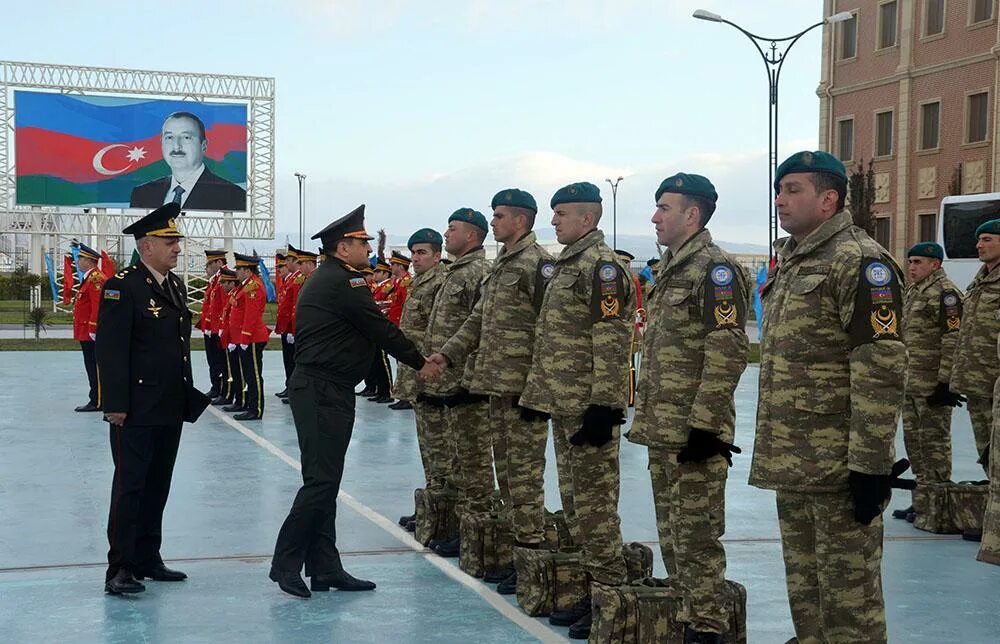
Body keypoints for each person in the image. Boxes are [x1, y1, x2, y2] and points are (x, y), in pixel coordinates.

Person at [749, 151, 908, 643]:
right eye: (779, 190)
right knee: (807, 593)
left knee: (848, 602)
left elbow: (880, 366)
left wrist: (870, 466)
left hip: (839, 465)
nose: (780, 200)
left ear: (829, 199)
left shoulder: (859, 261)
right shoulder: (795, 260)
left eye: (793, 189)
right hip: (794, 459)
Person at [269, 204, 441, 598]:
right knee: (320, 482)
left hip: (326, 388)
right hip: (322, 390)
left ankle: (325, 567)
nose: (367, 248)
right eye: (361, 242)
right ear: (343, 248)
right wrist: (421, 363)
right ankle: (285, 563)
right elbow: (379, 328)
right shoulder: (346, 283)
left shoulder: (332, 277)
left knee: (324, 481)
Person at [627, 174, 749, 643]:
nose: (655, 217)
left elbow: (728, 349)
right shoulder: (671, 268)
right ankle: (685, 616)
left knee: (697, 536)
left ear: (692, 215)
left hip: (696, 431)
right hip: (663, 427)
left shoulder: (715, 270)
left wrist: (704, 425)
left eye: (664, 208)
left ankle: (708, 627)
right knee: (673, 534)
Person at [519, 182, 634, 640]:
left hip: (589, 409)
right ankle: (591, 591)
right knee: (574, 505)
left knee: (595, 508)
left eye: (561, 214)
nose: (553, 221)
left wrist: (605, 405)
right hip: (564, 405)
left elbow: (613, 338)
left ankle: (610, 593)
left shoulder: (602, 267)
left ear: (587, 219)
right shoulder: (567, 264)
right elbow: (550, 339)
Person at [430, 188, 554, 590]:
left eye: (499, 216)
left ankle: (531, 555)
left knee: (524, 478)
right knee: (507, 475)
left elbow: (550, 330)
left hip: (524, 393)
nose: (494, 222)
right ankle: (518, 554)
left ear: (520, 220)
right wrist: (446, 356)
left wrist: (539, 388)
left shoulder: (538, 265)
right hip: (497, 387)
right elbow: (477, 321)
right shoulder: (502, 265)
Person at [96, 202, 210, 595]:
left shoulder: (174, 285)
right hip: (135, 408)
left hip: (169, 403)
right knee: (130, 487)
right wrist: (115, 404)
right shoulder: (122, 286)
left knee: (158, 484)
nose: (177, 247)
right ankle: (120, 568)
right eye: (169, 241)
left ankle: (147, 557)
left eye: (177, 240)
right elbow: (111, 349)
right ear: (146, 246)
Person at [421, 208, 492, 558]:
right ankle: (462, 528)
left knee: (474, 462)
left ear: (471, 235)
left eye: (453, 229)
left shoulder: (478, 272)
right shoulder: (455, 271)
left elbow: (482, 330)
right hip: (448, 380)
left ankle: (476, 531)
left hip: (466, 384)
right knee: (459, 460)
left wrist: (470, 380)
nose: (446, 234)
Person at [891, 242, 964, 523]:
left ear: (935, 265)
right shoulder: (914, 291)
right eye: (910, 262)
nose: (912, 267)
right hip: (911, 383)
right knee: (915, 445)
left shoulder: (946, 294)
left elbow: (953, 339)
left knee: (935, 447)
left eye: (918, 262)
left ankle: (939, 509)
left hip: (932, 385)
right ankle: (921, 503)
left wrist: (945, 383)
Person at [393, 228, 448, 531]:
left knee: (439, 447)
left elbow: (438, 333)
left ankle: (441, 511)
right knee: (428, 445)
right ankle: (431, 506)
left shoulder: (440, 283)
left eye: (422, 252)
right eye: (413, 253)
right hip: (416, 373)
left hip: (432, 376)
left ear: (437, 255)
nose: (415, 258)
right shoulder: (420, 282)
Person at [950, 218, 1000, 481]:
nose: (979, 245)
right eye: (979, 240)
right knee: (986, 454)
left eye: (987, 239)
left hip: (995, 385)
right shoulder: (979, 281)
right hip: (976, 385)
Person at [129, 111, 246, 211]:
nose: (176, 147)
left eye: (186, 137)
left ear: (204, 146)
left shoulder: (233, 196)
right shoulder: (142, 194)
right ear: (161, 143)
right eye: (169, 137)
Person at [226, 253, 270, 420]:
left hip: (252, 338)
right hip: (244, 338)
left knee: (253, 375)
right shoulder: (244, 286)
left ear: (247, 270)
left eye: (239, 269)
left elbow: (251, 315)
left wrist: (244, 337)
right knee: (248, 374)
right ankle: (248, 405)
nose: (236, 272)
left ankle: (255, 409)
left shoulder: (253, 286)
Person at [72, 242, 106, 412]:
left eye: (80, 258)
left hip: (90, 332)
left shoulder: (96, 279)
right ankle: (97, 398)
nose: (77, 261)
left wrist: (93, 329)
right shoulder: (90, 278)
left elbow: (97, 306)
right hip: (85, 331)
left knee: (95, 367)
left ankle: (97, 401)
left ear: (89, 261)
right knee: (91, 365)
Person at [194, 249, 228, 399]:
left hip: (218, 328)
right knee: (213, 360)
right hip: (211, 328)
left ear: (219, 262)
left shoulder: (225, 279)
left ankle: (222, 389)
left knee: (220, 362)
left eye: (209, 264)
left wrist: (220, 327)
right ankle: (216, 387)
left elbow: (225, 306)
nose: (206, 268)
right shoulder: (215, 280)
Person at [363, 259, 396, 403]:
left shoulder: (388, 287)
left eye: (377, 272)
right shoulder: (379, 287)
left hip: (382, 326)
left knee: (382, 361)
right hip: (375, 326)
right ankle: (378, 389)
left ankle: (386, 391)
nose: (374, 274)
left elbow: (386, 305)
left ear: (385, 273)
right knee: (375, 360)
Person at [213, 268, 241, 406]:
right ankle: (227, 394)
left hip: (232, 337)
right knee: (227, 367)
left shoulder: (234, 294)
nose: (221, 285)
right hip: (226, 335)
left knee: (232, 369)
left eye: (224, 282)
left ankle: (230, 394)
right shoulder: (231, 294)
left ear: (232, 283)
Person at [273, 250, 291, 398]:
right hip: (285, 327)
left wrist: (292, 330)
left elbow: (294, 307)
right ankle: (289, 385)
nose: (278, 270)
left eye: (281, 267)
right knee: (287, 360)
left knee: (292, 360)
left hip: (291, 328)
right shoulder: (286, 282)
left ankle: (292, 388)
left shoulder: (294, 281)